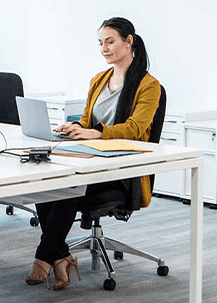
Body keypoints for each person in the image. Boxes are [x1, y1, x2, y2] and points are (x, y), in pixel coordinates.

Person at [25, 17, 162, 290]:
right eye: (100, 43)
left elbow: (135, 130)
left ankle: (43, 259)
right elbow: (88, 120)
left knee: (67, 187)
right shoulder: (99, 80)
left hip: (121, 170)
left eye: (110, 42)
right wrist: (75, 127)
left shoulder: (149, 85)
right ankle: (61, 256)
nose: (104, 48)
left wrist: (98, 133)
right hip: (90, 158)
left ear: (129, 41)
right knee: (45, 181)